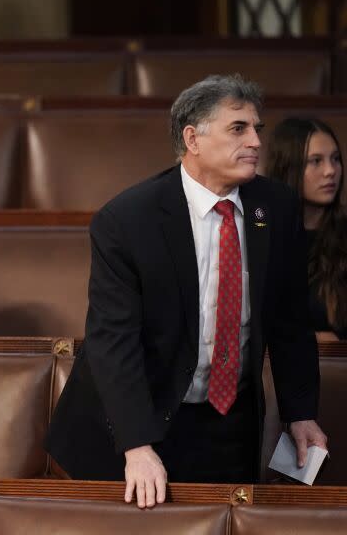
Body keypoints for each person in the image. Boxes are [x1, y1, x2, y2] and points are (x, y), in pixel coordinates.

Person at [46, 74, 327, 508]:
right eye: (239, 128)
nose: (255, 140)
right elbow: (112, 342)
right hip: (138, 416)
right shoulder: (127, 221)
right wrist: (136, 446)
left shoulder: (276, 207)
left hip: (229, 420)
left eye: (258, 129)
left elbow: (290, 321)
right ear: (192, 138)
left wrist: (301, 412)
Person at [266, 117, 347, 341]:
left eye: (336, 159)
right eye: (316, 161)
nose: (331, 171)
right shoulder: (262, 234)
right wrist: (310, 338)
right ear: (288, 168)